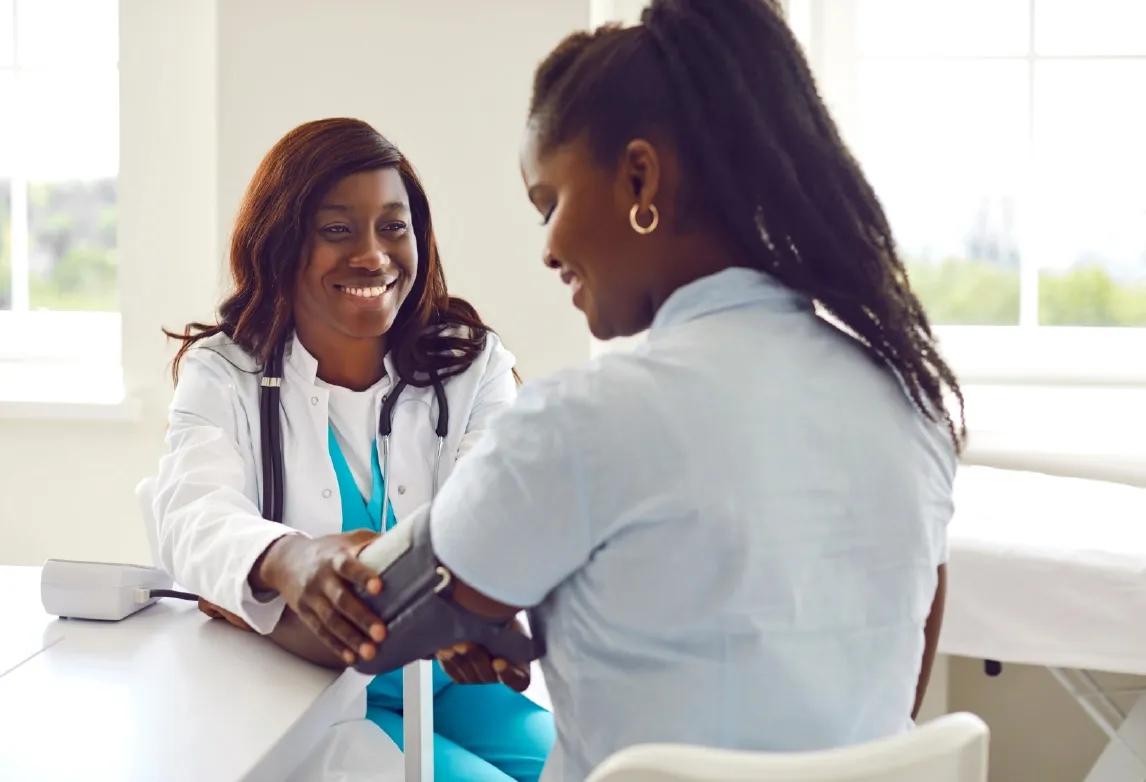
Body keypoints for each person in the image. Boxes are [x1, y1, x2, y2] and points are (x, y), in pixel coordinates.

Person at [419, 0, 964, 777]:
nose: (547, 250)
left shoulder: (582, 421)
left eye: (550, 204)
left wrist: (284, 569)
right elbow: (887, 704)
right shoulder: (912, 408)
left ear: (640, 176)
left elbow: (395, 608)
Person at [149, 118, 553, 782]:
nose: (372, 255)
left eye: (394, 227)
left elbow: (501, 508)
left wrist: (481, 601)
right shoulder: (226, 372)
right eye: (337, 230)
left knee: (598, 771)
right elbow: (191, 513)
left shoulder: (472, 365)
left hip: (459, 682)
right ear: (282, 244)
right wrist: (289, 559)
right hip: (324, 697)